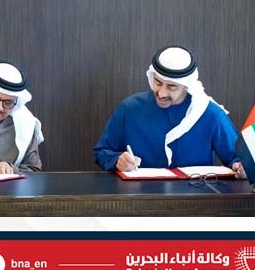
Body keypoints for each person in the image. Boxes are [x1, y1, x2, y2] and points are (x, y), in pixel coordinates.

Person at [93, 46, 245, 178]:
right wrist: (117, 160)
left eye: (172, 87)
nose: (161, 93)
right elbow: (102, 151)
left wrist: (241, 168)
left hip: (196, 197)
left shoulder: (210, 114)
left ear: (186, 86)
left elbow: (238, 159)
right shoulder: (130, 108)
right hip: (140, 197)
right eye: (158, 83)